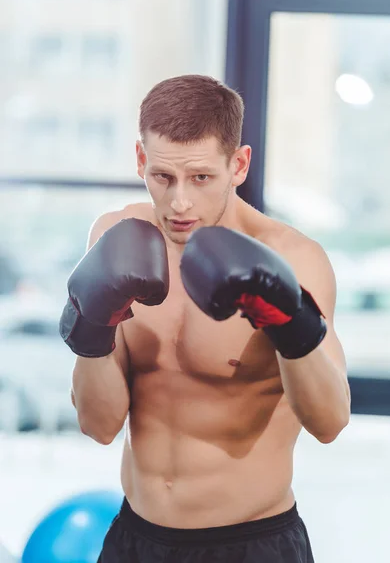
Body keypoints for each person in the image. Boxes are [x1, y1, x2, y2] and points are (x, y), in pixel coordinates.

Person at [60, 75, 351, 562]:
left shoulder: (293, 257)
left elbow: (330, 422)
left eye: (200, 178)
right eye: (162, 177)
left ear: (238, 165)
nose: (179, 203)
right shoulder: (116, 236)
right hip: (137, 538)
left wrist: (289, 317)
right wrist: (93, 326)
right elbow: (100, 425)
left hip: (251, 544)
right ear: (140, 160)